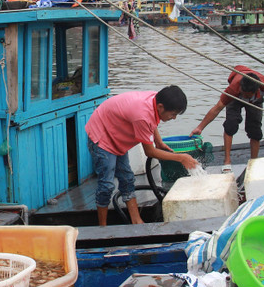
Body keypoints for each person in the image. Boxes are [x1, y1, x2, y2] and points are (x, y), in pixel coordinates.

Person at [85, 86, 198, 226]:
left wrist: (158, 141)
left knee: (127, 179)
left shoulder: (155, 99)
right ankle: (102, 228)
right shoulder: (142, 115)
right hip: (102, 136)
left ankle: (136, 221)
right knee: (107, 185)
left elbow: (153, 120)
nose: (174, 118)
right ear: (161, 107)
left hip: (116, 133)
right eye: (173, 114)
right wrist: (182, 157)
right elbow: (150, 152)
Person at [191, 65, 264, 172]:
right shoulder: (233, 90)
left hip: (255, 101)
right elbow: (217, 108)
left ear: (256, 91)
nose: (244, 97)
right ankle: (227, 161)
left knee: (255, 130)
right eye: (243, 93)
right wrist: (200, 127)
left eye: (247, 95)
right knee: (230, 125)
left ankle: (254, 162)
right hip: (235, 98)